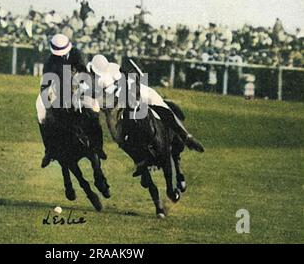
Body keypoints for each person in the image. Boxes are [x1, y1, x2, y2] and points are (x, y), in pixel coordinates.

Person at [87, 55, 204, 176]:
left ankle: (185, 137)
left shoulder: (108, 74)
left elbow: (134, 78)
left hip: (132, 96)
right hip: (126, 100)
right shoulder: (103, 73)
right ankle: (142, 160)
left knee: (162, 109)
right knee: (118, 135)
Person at [37, 34, 106, 168]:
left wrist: (81, 89)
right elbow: (45, 84)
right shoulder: (50, 62)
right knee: (42, 115)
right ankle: (49, 150)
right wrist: (49, 98)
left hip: (79, 87)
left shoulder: (78, 54)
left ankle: (98, 146)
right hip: (58, 90)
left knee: (94, 110)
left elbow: (86, 75)